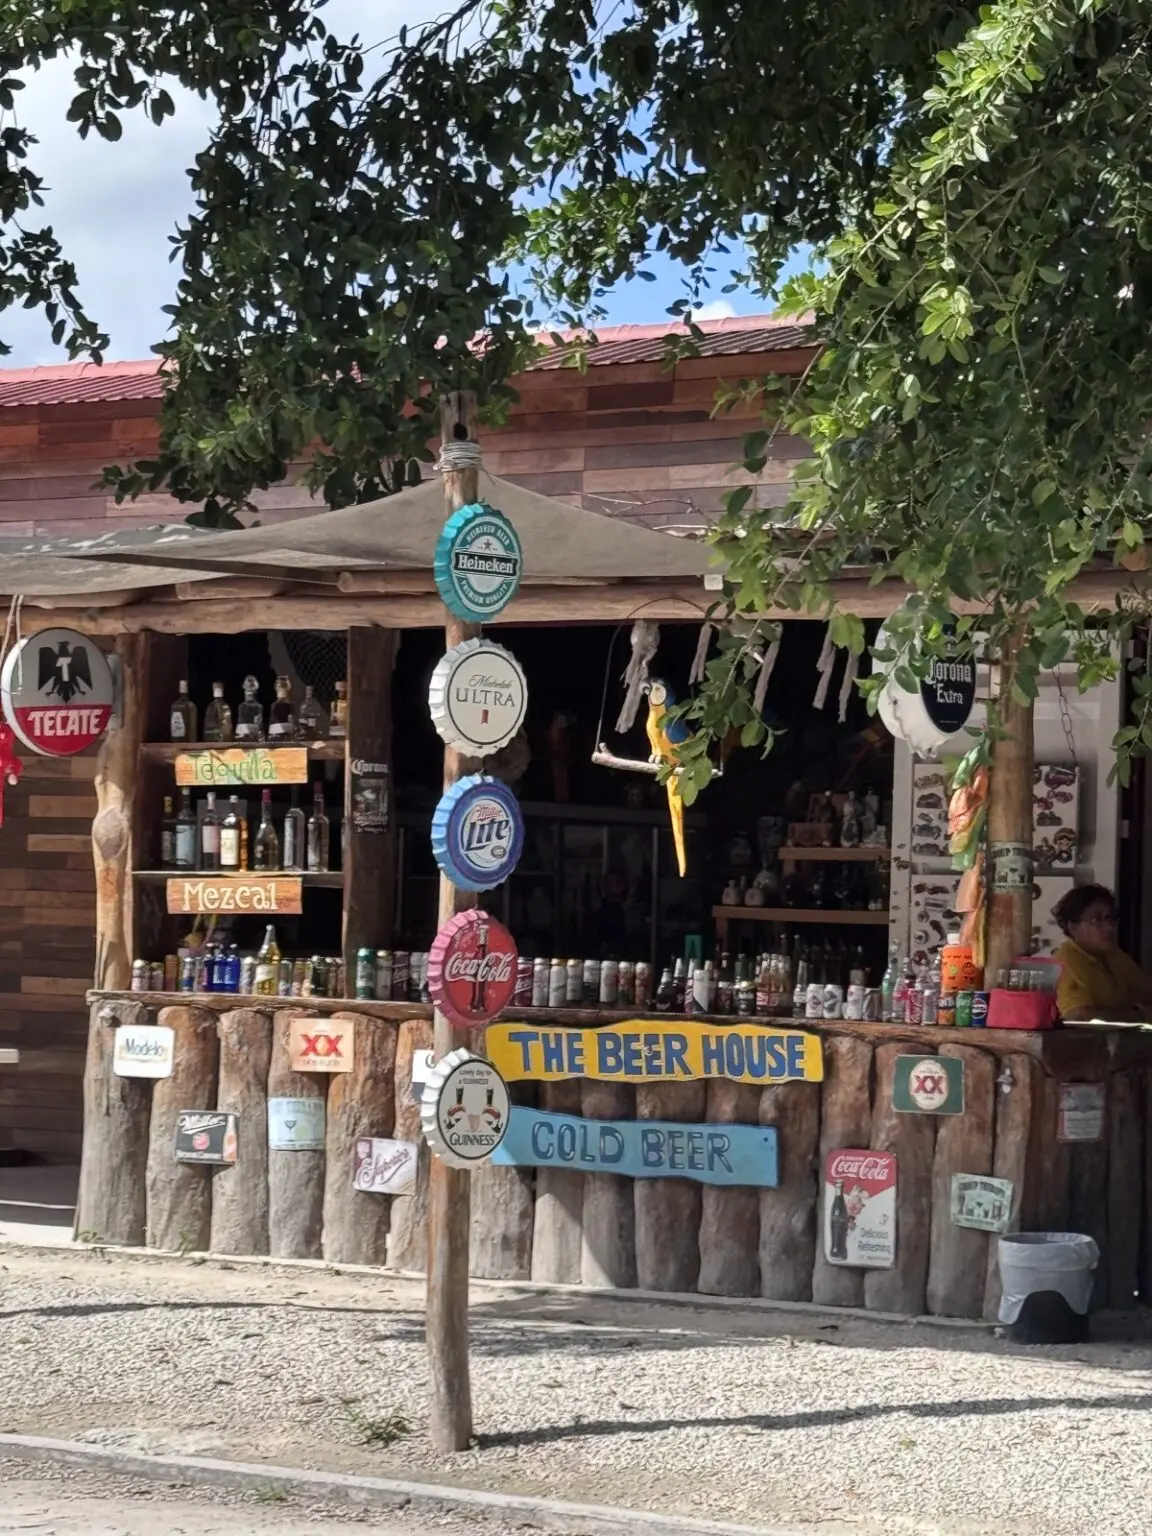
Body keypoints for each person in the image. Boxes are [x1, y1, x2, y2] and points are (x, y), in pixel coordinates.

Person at [1052, 884, 1152, 1022]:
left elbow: (1147, 993)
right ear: (1073, 927)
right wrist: (1140, 1016)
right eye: (1096, 920)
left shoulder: (1113, 954)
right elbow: (1078, 1016)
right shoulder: (1066, 959)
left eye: (1111, 918)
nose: (1110, 927)